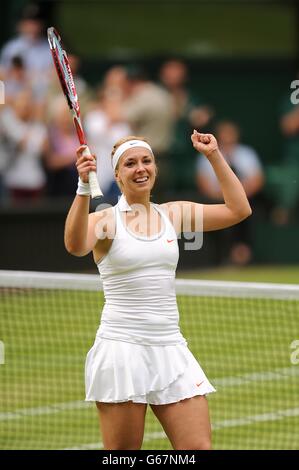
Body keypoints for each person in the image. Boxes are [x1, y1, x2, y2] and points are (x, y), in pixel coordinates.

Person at [64, 131, 251, 450]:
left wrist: (214, 155)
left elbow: (238, 209)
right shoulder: (107, 221)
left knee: (198, 450)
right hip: (122, 350)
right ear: (118, 176)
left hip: (170, 348)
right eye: (130, 164)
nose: (140, 168)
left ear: (155, 168)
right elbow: (75, 244)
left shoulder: (173, 214)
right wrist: (83, 186)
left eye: (146, 161)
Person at [196, 121, 264, 265]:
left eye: (230, 133)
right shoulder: (205, 155)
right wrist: (226, 196)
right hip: (217, 202)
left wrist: (238, 196)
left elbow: (257, 180)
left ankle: (243, 253)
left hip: (246, 201)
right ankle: (224, 255)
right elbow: (204, 184)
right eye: (224, 133)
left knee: (248, 211)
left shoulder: (247, 153)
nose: (227, 137)